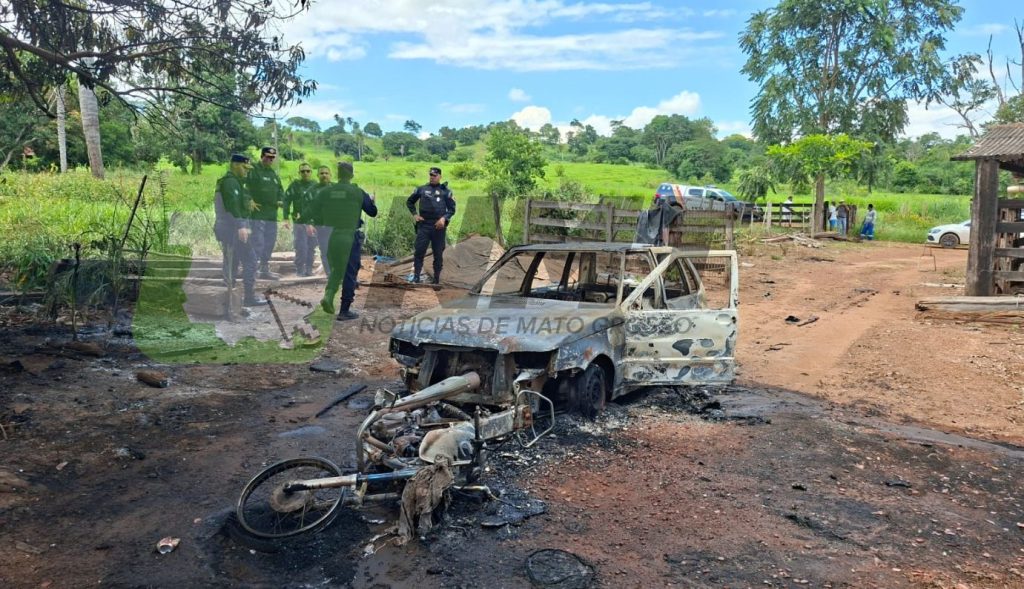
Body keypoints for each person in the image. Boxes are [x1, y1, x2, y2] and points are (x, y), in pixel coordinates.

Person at [306, 162, 369, 318]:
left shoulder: (326, 192)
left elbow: (312, 212)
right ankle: (344, 310)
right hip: (350, 236)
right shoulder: (357, 192)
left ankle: (328, 295)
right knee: (350, 272)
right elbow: (372, 211)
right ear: (351, 175)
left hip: (331, 236)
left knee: (337, 269)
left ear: (337, 174)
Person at [213, 154, 266, 306]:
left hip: (229, 228)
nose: (247, 171)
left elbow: (240, 201)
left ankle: (230, 299)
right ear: (235, 165)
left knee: (232, 262)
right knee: (250, 260)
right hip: (232, 228)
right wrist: (241, 225)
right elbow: (232, 205)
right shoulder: (230, 182)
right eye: (244, 167)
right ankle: (248, 297)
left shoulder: (234, 182)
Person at [406, 166, 455, 284]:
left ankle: (436, 279)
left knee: (438, 254)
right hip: (424, 225)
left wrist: (444, 218)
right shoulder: (421, 189)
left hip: (438, 227)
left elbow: (452, 209)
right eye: (431, 175)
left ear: (440, 176)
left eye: (434, 175)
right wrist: (415, 215)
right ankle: (416, 277)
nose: (432, 177)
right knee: (419, 252)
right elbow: (409, 202)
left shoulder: (446, 192)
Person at [246, 146, 285, 279]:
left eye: (272, 158)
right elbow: (245, 187)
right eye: (268, 157)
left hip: (271, 214)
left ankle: (264, 268)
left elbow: (280, 190)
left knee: (270, 241)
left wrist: (281, 200)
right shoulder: (253, 170)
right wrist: (249, 200)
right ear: (262, 156)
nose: (270, 160)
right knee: (257, 242)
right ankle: (252, 269)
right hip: (258, 213)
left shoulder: (273, 174)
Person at [283, 163, 319, 276]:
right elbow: (286, 200)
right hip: (299, 221)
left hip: (313, 222)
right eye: (303, 171)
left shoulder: (315, 185)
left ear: (311, 172)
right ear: (299, 173)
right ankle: (300, 269)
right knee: (301, 246)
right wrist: (285, 217)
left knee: (311, 246)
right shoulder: (295, 185)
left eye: (308, 171)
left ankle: (309, 269)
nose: (305, 173)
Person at [312, 166, 334, 276]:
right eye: (321, 173)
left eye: (326, 173)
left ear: (330, 175)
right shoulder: (313, 190)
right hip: (321, 226)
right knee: (325, 250)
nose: (324, 175)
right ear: (317, 175)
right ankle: (329, 274)